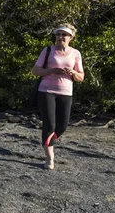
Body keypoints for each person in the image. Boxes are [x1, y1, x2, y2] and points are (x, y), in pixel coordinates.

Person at [31, 23, 84, 170]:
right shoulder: (48, 50)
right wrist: (52, 70)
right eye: (58, 34)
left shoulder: (75, 53)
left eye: (64, 35)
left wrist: (73, 73)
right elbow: (35, 71)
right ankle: (49, 159)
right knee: (50, 125)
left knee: (62, 126)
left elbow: (81, 77)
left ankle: (48, 142)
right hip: (46, 91)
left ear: (71, 37)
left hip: (66, 92)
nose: (60, 37)